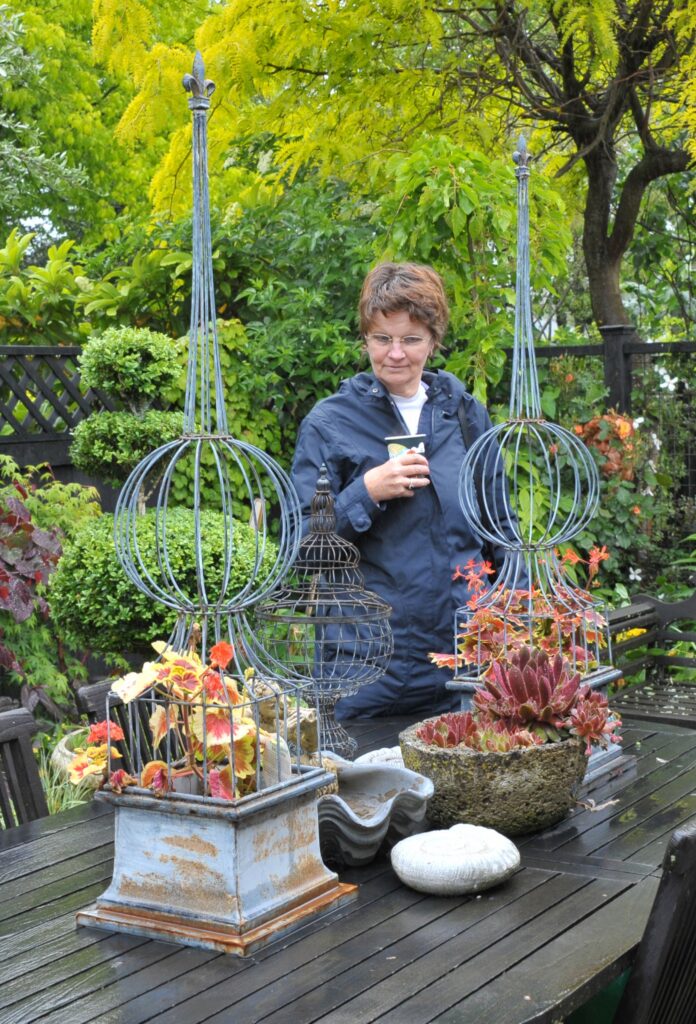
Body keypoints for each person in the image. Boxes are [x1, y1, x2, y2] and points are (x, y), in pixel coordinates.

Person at [291, 261, 509, 717]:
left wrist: (515, 626)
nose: (395, 353)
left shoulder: (465, 418)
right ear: (365, 338)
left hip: (465, 664)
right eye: (382, 338)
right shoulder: (330, 424)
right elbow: (299, 546)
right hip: (368, 671)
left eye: (411, 339)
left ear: (433, 340)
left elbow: (501, 531)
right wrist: (365, 492)